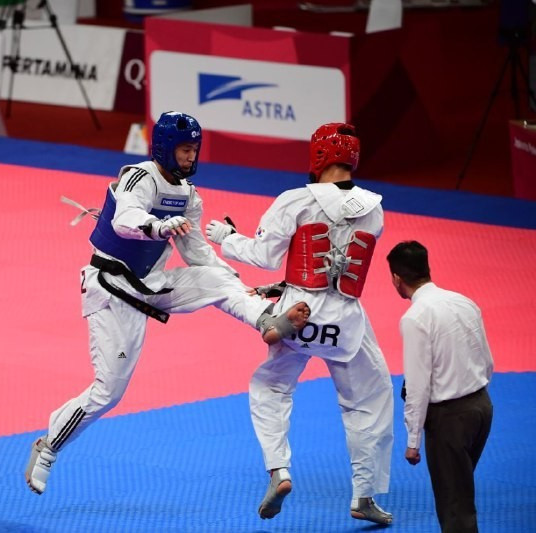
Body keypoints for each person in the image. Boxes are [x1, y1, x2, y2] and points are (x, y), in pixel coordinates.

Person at [25, 111, 310, 495]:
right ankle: (48, 447)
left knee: (215, 276)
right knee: (108, 392)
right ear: (163, 148)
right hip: (111, 288)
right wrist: (158, 227)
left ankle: (267, 319)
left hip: (152, 286)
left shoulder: (189, 197)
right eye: (184, 150)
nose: (191, 158)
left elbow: (198, 255)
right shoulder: (139, 177)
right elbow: (124, 220)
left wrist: (241, 285)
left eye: (195, 150)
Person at [205, 122, 394, 524]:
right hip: (346, 319)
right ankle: (364, 495)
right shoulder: (375, 208)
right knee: (371, 401)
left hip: (298, 317)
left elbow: (264, 254)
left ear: (319, 156)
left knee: (269, 386)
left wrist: (226, 236)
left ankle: (279, 469)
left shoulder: (295, 200)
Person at [387, 240, 494, 532]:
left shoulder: (415, 318)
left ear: (397, 278)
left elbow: (417, 385)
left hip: (449, 420)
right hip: (482, 407)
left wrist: (412, 441)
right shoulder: (463, 301)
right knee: (459, 491)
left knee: (455, 504)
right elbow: (487, 360)